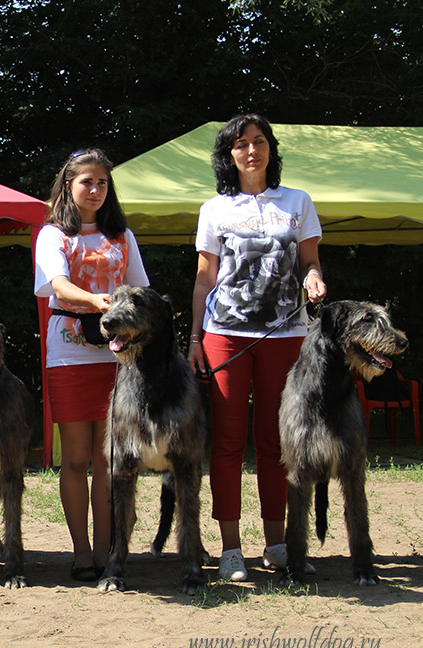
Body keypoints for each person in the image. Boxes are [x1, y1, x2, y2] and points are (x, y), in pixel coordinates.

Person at [186, 113, 327, 582]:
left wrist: (314, 281)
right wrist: (194, 338)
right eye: (242, 144)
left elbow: (310, 263)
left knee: (276, 442)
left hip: (287, 335)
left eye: (259, 141)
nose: (252, 150)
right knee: (227, 441)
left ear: (271, 150)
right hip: (225, 334)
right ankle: (230, 548)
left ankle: (276, 541)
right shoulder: (214, 208)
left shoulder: (298, 201)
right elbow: (206, 277)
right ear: (229, 155)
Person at [33, 148, 150, 582]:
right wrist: (96, 300)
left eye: (102, 182)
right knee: (77, 459)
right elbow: (57, 285)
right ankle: (81, 553)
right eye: (87, 181)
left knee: (109, 460)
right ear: (68, 186)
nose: (96, 189)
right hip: (67, 353)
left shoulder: (122, 236)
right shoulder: (53, 235)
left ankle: (107, 553)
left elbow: (140, 291)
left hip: (119, 361)